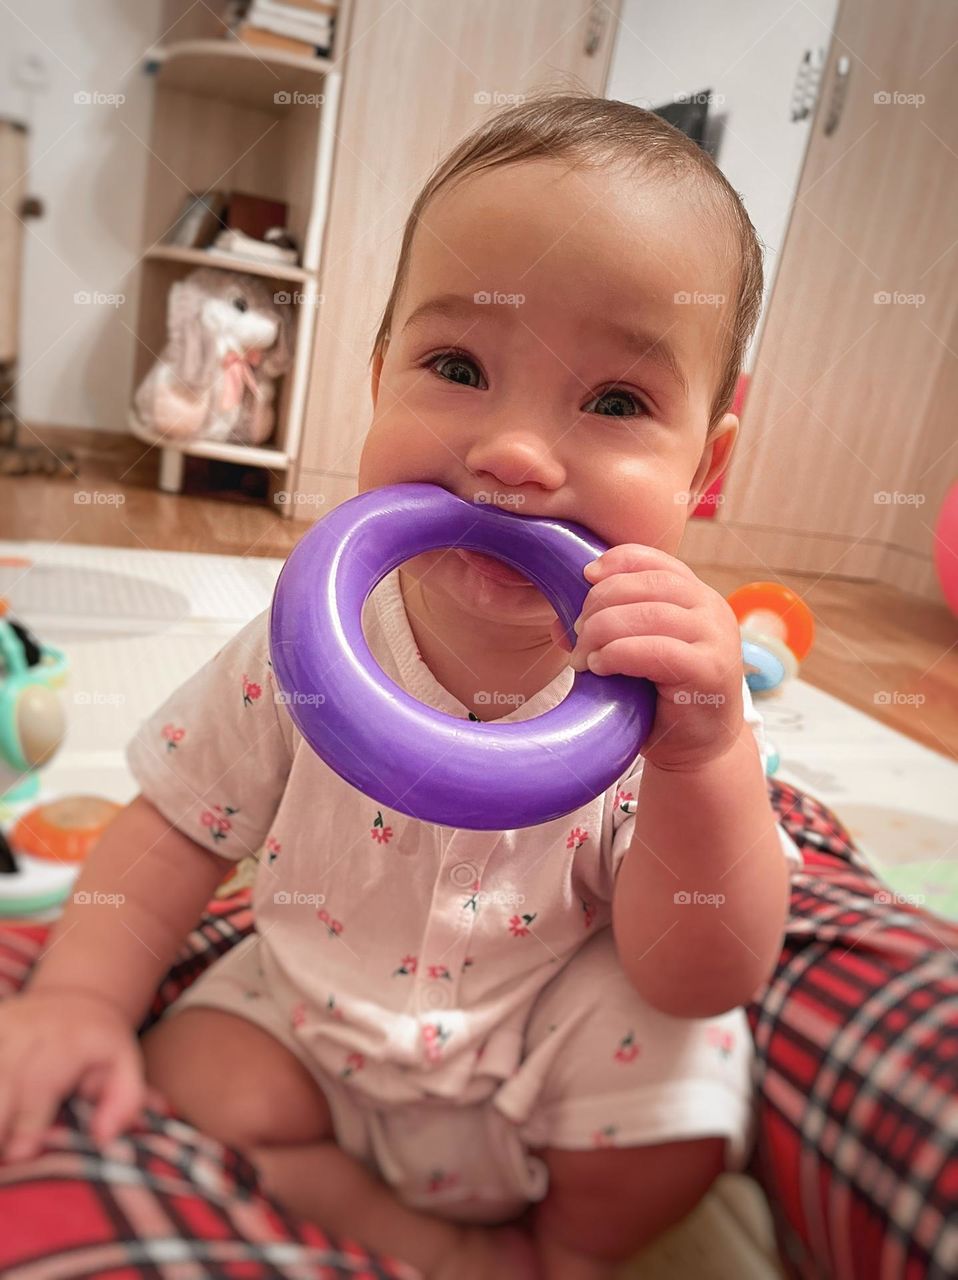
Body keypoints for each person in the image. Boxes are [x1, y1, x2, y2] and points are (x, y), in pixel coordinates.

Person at [0, 93, 803, 1280]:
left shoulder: (665, 701)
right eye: (459, 366)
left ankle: (563, 1250)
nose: (515, 454)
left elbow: (706, 968)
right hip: (315, 1022)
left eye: (617, 402)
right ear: (380, 378)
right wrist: (77, 995)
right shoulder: (309, 640)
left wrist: (703, 763)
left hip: (547, 1057)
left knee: (685, 1102)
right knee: (186, 1073)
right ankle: (391, 1226)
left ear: (705, 466)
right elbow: (177, 824)